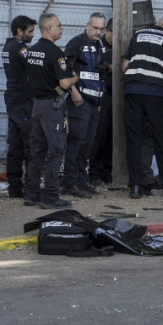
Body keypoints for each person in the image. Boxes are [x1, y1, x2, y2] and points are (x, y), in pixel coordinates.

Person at [24, 13, 78, 209]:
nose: (61, 28)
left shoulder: (32, 51)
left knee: (37, 150)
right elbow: (64, 82)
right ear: (49, 28)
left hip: (37, 105)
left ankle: (31, 194)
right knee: (56, 150)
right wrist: (75, 78)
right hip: (52, 107)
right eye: (59, 25)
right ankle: (50, 196)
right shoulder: (55, 53)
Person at [122, 18, 163, 199]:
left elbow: (125, 65)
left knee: (134, 139)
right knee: (160, 137)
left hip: (133, 90)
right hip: (156, 93)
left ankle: (135, 187)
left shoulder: (137, 35)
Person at [61, 11, 108, 199]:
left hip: (94, 102)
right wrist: (74, 91)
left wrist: (99, 101)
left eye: (101, 29)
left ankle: (81, 181)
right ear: (87, 25)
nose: (98, 32)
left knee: (88, 143)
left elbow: (100, 75)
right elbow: (65, 68)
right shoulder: (76, 43)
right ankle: (70, 183)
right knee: (77, 142)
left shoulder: (101, 45)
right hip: (79, 101)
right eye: (95, 28)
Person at [2, 15, 36, 199]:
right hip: (22, 102)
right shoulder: (19, 48)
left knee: (15, 145)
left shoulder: (8, 46)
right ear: (19, 31)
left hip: (15, 100)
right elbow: (35, 65)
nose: (32, 35)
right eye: (30, 32)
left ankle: (15, 188)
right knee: (29, 145)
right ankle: (31, 188)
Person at [88, 18, 114, 185]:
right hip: (101, 95)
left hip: (117, 96)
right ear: (109, 32)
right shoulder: (98, 46)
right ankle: (95, 173)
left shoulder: (123, 46)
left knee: (113, 136)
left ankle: (107, 172)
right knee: (100, 135)